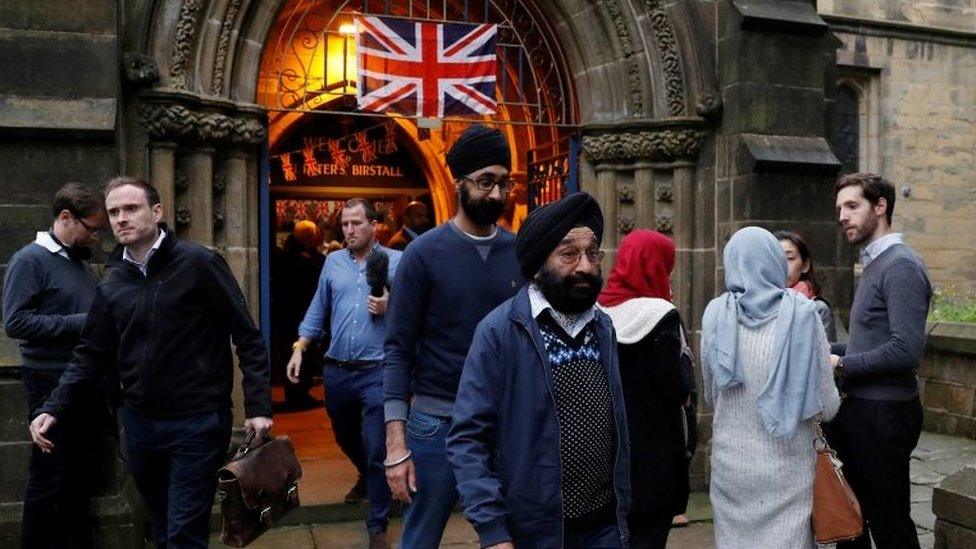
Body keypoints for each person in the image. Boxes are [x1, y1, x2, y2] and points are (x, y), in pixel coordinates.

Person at [28, 177, 273, 548]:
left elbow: (247, 335)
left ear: (156, 212)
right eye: (113, 212)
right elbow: (90, 355)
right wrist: (53, 407)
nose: (121, 219)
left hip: (198, 421)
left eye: (131, 208)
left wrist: (257, 406)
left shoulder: (199, 263)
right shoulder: (112, 283)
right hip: (141, 425)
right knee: (160, 527)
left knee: (183, 534)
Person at [448, 192, 630, 549]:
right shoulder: (501, 332)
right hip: (533, 533)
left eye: (593, 254)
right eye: (568, 254)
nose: (585, 267)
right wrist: (493, 530)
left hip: (605, 528)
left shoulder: (603, 328)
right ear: (537, 264)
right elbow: (467, 438)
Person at [383, 124, 524, 548]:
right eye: (485, 182)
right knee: (420, 539)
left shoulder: (522, 253)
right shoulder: (422, 255)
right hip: (434, 425)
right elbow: (397, 350)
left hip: (505, 426)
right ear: (458, 182)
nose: (497, 195)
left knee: (507, 538)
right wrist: (396, 445)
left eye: (504, 182)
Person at [702, 226, 840, 549]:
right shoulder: (803, 315)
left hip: (730, 470)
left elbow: (711, 394)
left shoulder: (715, 315)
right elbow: (827, 405)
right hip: (788, 470)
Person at [286, 198, 401, 548]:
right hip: (337, 368)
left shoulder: (397, 261)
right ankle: (367, 475)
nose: (349, 230)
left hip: (377, 368)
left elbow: (417, 308)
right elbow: (319, 306)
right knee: (343, 434)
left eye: (356, 223)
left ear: (373, 225)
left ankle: (377, 524)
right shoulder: (333, 262)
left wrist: (389, 304)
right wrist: (299, 348)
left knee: (376, 444)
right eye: (345, 225)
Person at [827, 172, 932, 548]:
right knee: (850, 521)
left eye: (852, 206)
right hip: (861, 411)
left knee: (890, 525)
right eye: (840, 207)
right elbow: (868, 343)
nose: (842, 215)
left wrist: (841, 364)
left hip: (885, 415)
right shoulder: (875, 263)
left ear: (881, 206)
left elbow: (905, 351)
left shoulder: (901, 265)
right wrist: (828, 351)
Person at [3, 183, 107, 548]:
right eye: (91, 229)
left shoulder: (77, 260)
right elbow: (15, 322)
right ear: (65, 217)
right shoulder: (29, 260)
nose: (95, 237)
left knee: (78, 476)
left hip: (82, 379)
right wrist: (83, 322)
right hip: (49, 379)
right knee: (49, 477)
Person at [596, 229, 694, 549]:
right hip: (655, 455)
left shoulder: (597, 312)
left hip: (606, 454)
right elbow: (674, 387)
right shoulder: (661, 315)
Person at [272, 220, 326, 410]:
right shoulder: (293, 259)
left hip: (296, 315)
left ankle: (300, 392)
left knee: (305, 354)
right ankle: (296, 394)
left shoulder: (296, 257)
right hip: (295, 316)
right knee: (298, 354)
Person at [775, 230, 839, 342]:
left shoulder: (818, 309)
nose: (782, 265)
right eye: (775, 258)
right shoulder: (754, 305)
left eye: (789, 258)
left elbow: (826, 355)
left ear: (805, 265)